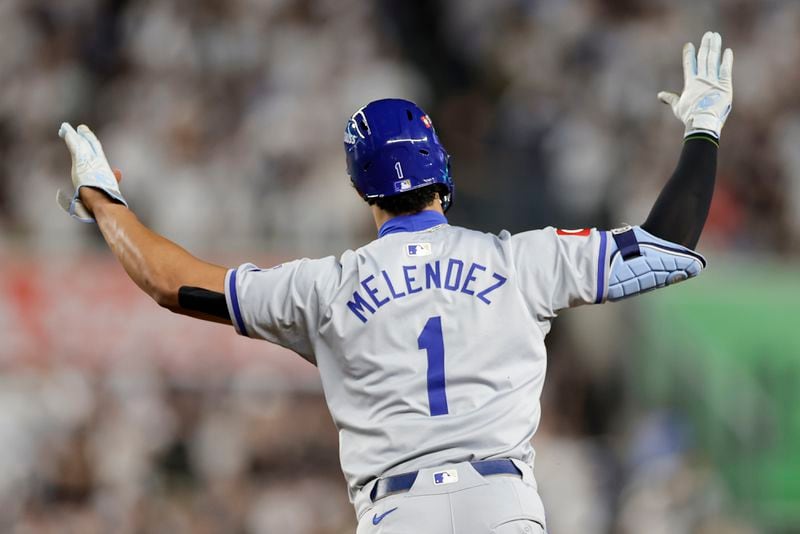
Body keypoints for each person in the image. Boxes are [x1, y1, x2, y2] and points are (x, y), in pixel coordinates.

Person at [57, 31, 732, 534]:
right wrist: (702, 130)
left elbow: (169, 283)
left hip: (396, 511)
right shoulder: (520, 260)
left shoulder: (323, 288)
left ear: (361, 189)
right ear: (442, 170)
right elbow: (666, 244)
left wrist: (103, 200)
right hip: (503, 507)